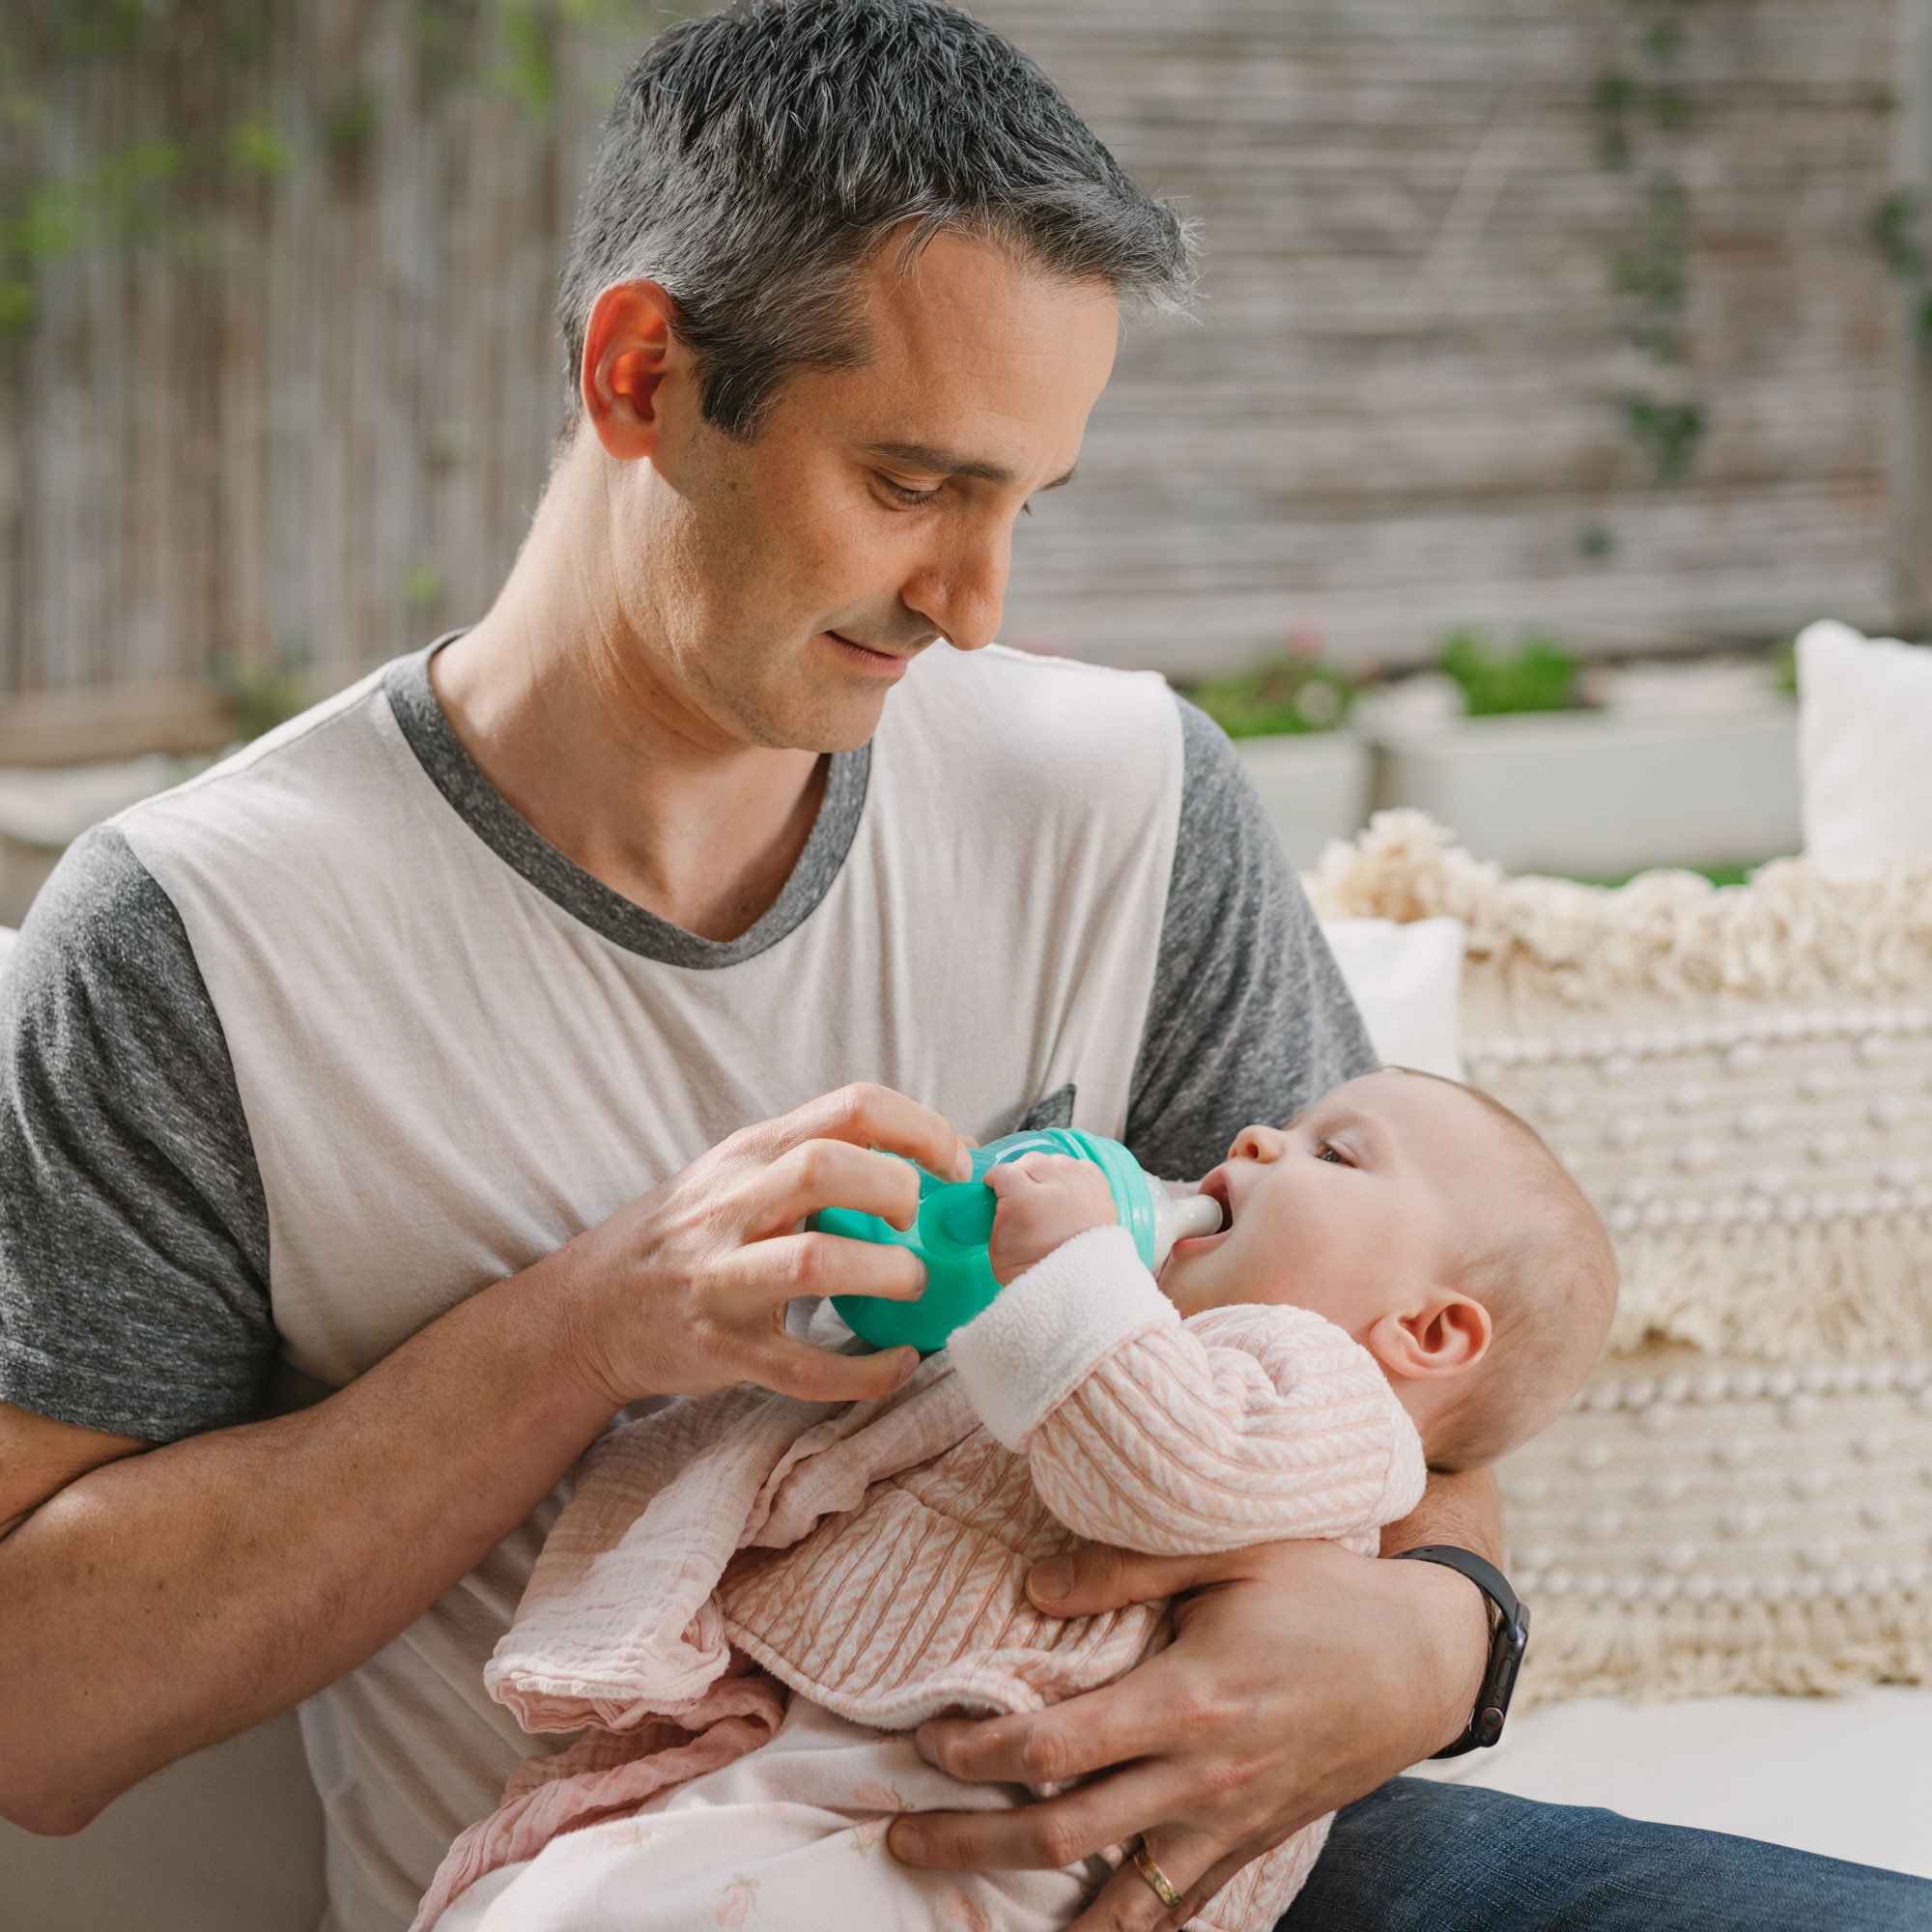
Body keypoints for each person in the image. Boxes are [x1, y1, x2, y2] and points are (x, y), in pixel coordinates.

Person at [0, 6, 1925, 1930]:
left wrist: (1436, 1637)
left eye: (1022, 502)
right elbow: (36, 1714)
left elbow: (1402, 1386)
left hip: (1190, 1871)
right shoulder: (203, 932)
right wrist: (584, 1328)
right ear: (640, 372)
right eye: (914, 485)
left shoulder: (1124, 793)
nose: (978, 601)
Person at [411, 1068, 1619, 1932]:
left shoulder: (1322, 1394)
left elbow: (1163, 1470)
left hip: (995, 1849)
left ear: (1426, 1330)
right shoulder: (1107, 1330)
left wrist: (1072, 1270)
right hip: (821, 1773)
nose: (1256, 1136)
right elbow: (820, 1451)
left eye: (1333, 1152)